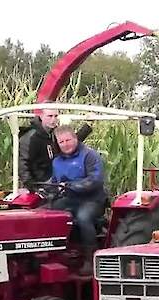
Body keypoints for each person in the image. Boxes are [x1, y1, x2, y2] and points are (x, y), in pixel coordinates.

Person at [49, 125, 106, 274]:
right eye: (61, 142)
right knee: (48, 213)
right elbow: (55, 181)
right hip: (70, 199)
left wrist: (72, 185)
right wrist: (46, 188)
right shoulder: (57, 161)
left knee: (83, 217)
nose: (65, 144)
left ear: (75, 138)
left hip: (92, 200)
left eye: (68, 140)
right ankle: (53, 254)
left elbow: (95, 179)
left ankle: (90, 259)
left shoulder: (89, 156)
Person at [18, 108, 92, 189]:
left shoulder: (53, 133)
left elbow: (69, 143)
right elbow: (23, 164)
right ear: (41, 116)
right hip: (42, 182)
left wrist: (88, 125)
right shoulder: (30, 137)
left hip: (55, 178)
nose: (53, 120)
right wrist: (32, 188)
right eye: (50, 116)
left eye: (55, 116)